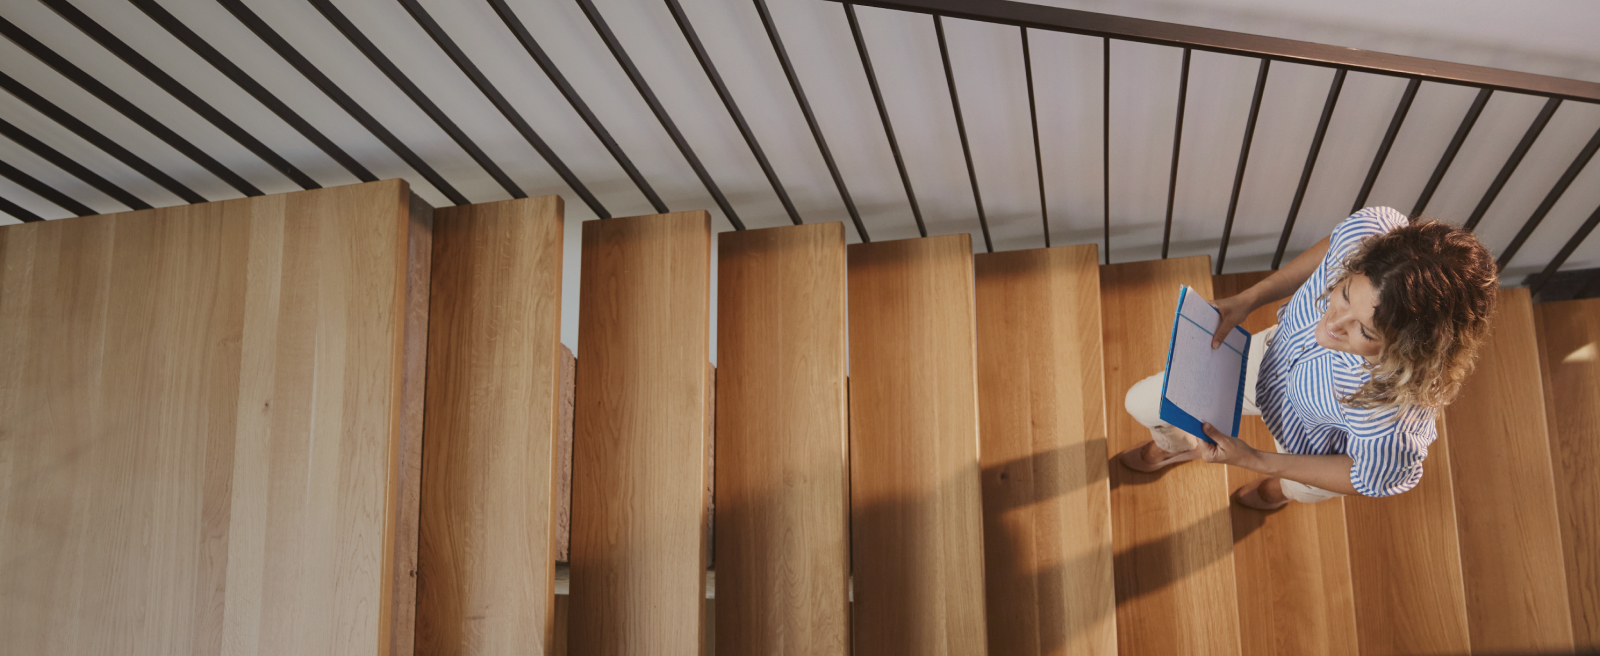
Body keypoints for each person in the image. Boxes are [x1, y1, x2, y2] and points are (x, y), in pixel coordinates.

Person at [1117, 207, 1498, 510]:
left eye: (1365, 331)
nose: (1333, 322)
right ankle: (1177, 445)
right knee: (1140, 401)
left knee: (1298, 489)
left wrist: (1258, 460)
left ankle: (1281, 491)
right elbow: (1332, 247)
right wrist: (1249, 299)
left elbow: (1366, 476)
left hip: (1309, 446)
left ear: (1408, 350)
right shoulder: (1373, 230)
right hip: (1266, 359)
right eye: (1345, 293)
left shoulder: (1395, 418)